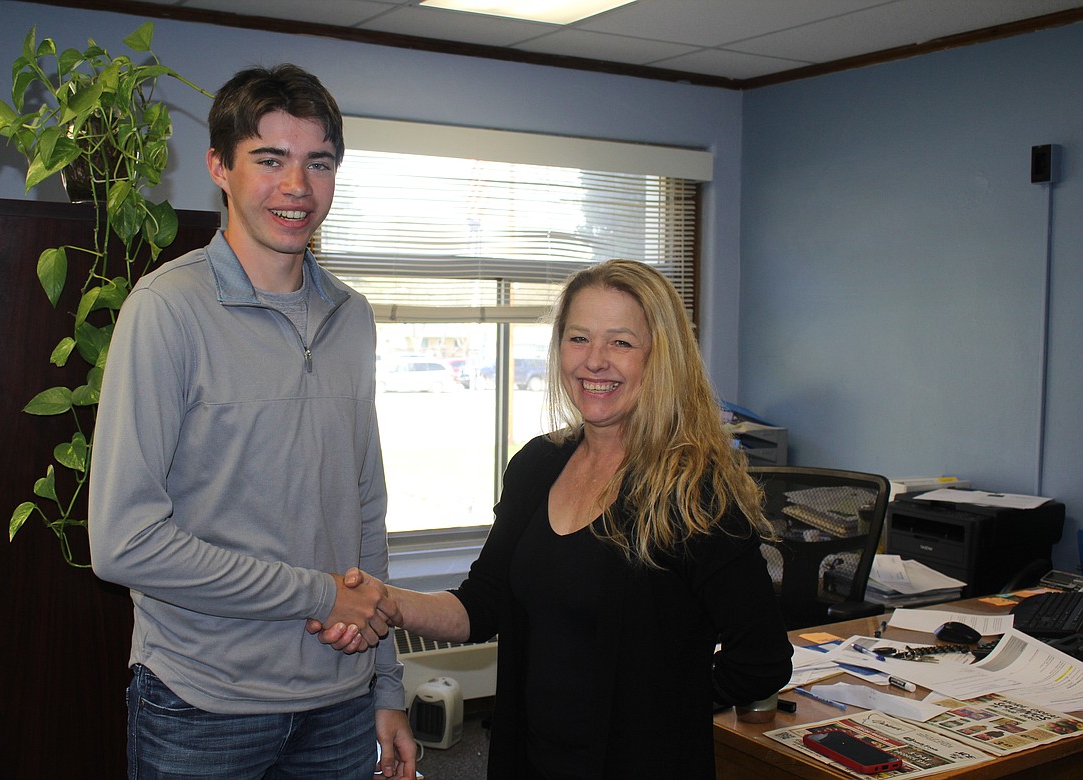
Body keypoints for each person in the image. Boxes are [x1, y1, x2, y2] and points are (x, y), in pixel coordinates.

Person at [315, 259, 793, 778]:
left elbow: (761, 658)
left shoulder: (693, 492)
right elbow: (482, 605)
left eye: (622, 343)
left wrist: (660, 711)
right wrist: (384, 601)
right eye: (579, 338)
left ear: (661, 358)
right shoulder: (538, 465)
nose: (595, 361)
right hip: (530, 756)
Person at [88, 64, 416, 780]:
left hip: (339, 699)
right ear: (220, 169)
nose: (297, 187)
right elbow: (124, 542)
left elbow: (365, 510)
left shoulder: (351, 318)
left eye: (318, 163)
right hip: (202, 705)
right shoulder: (166, 311)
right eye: (270, 160)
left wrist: (387, 687)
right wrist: (318, 592)